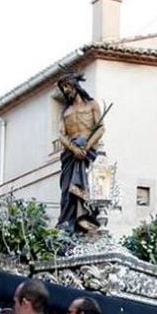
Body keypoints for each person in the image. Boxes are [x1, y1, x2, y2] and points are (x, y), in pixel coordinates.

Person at [56, 71, 105, 234]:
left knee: (90, 186)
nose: (65, 90)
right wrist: (74, 149)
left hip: (88, 153)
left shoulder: (92, 105)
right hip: (70, 155)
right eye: (63, 88)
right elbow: (61, 135)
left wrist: (86, 147)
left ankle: (87, 219)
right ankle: (69, 222)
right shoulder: (65, 112)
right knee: (67, 190)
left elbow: (100, 128)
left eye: (66, 86)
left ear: (75, 85)